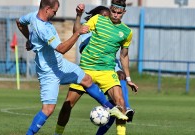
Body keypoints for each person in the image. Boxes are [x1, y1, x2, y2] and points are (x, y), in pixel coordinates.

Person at [15, 0, 127, 134]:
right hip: (49, 72)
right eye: (54, 11)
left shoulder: (33, 15)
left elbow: (19, 22)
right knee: (48, 110)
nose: (55, 14)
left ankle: (109, 107)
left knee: (86, 79)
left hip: (62, 65)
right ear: (47, 9)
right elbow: (62, 49)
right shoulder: (43, 28)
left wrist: (30, 39)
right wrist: (77, 33)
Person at [54, 5, 135, 135]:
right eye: (105, 15)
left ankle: (123, 107)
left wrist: (127, 76)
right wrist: (78, 16)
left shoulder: (124, 31)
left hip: (108, 70)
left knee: (120, 104)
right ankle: (57, 133)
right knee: (67, 105)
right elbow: (77, 31)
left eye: (108, 15)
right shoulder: (92, 29)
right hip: (87, 69)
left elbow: (123, 55)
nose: (108, 17)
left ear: (123, 12)